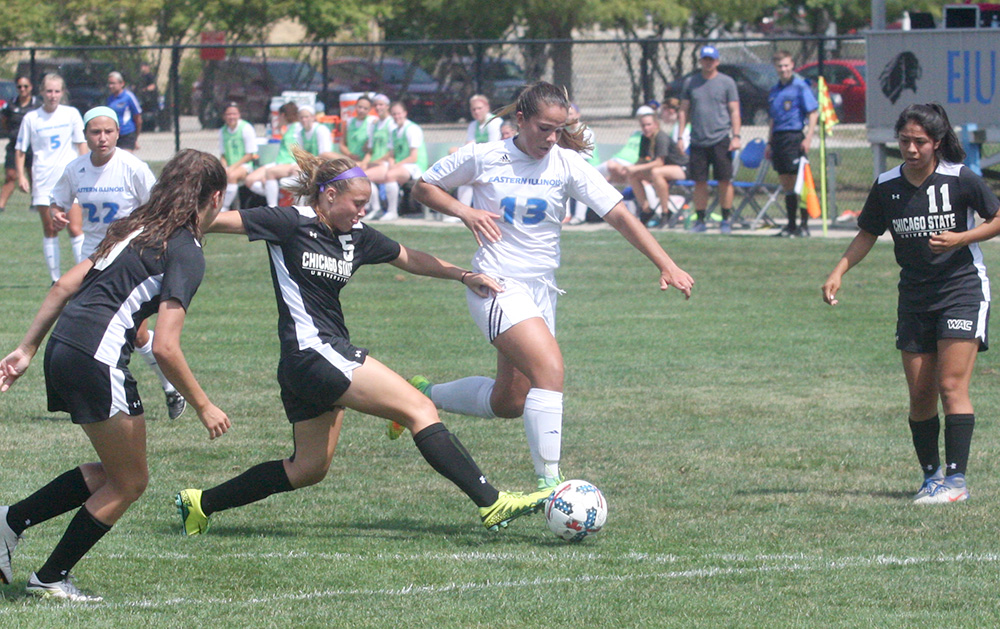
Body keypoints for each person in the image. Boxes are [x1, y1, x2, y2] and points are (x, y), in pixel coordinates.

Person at [174, 147, 552, 537]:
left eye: (366, 205)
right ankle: (492, 502)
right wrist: (169, 217)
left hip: (311, 362)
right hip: (314, 351)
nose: (362, 212)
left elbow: (408, 257)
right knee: (419, 407)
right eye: (357, 203)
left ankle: (200, 503)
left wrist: (462, 275)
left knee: (307, 469)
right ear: (329, 195)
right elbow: (216, 221)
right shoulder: (289, 221)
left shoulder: (356, 236)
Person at [399, 82, 694, 491]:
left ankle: (421, 394)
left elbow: (619, 214)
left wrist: (667, 264)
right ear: (520, 120)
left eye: (559, 129)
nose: (551, 138)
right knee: (550, 371)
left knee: (509, 402)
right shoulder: (486, 156)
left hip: (541, 290)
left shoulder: (566, 164)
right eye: (543, 128)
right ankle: (551, 486)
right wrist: (464, 210)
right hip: (496, 284)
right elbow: (423, 187)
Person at [0, 149, 230, 602]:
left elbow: (66, 285)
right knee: (130, 482)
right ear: (215, 197)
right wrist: (204, 405)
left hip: (65, 347)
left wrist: (27, 348)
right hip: (96, 358)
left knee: (115, 471)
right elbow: (165, 345)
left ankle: (10, 522)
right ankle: (50, 577)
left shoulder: (133, 228)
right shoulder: (185, 249)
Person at [822, 103, 1000, 505]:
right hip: (915, 297)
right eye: (904, 140)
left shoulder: (960, 178)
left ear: (936, 142)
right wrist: (839, 271)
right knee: (920, 395)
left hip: (961, 291)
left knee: (950, 385)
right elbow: (868, 232)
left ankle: (956, 483)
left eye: (920, 141)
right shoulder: (887, 184)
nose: (911, 148)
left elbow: (997, 217)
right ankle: (931, 476)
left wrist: (961, 238)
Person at [48, 106, 186, 420]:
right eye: (95, 132)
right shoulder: (76, 169)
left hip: (126, 260)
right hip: (92, 258)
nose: (102, 138)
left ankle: (170, 387)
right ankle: (87, 390)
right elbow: (59, 200)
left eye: (108, 131)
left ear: (117, 133)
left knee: (136, 333)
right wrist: (57, 213)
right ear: (85, 135)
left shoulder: (132, 167)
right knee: (81, 321)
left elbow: (157, 207)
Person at [15, 73, 87, 283]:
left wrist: (85, 170)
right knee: (51, 228)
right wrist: (21, 175)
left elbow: (81, 143)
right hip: (43, 179)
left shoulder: (71, 114)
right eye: (49, 91)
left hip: (69, 179)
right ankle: (55, 279)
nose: (53, 95)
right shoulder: (32, 118)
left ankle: (84, 275)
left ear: (62, 93)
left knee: (75, 228)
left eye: (57, 91)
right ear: (41, 93)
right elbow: (21, 149)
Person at [678, 45, 741, 234]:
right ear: (700, 61)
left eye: (711, 59)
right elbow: (683, 110)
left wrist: (736, 136)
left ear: (717, 61)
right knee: (699, 182)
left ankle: (726, 219)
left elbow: (734, 110)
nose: (708, 62)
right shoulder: (691, 82)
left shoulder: (727, 82)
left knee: (724, 180)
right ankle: (700, 219)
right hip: (698, 139)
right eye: (705, 59)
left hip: (721, 138)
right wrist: (681, 136)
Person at [767, 50, 818, 238]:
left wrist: (808, 137)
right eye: (780, 66)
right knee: (786, 183)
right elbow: (772, 119)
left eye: (787, 65)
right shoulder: (774, 90)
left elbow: (813, 113)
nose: (783, 69)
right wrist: (769, 142)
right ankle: (790, 225)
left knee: (800, 182)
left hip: (794, 137)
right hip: (778, 139)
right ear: (776, 68)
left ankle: (804, 226)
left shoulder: (800, 86)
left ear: (792, 65)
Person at [364, 101, 426, 222]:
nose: (397, 117)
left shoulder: (412, 129)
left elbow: (414, 157)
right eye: (394, 114)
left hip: (414, 166)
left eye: (399, 114)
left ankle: (392, 211)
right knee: (364, 176)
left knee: (390, 175)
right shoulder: (394, 131)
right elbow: (392, 153)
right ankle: (376, 208)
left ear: (405, 113)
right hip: (400, 164)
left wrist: (394, 166)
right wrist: (391, 163)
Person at [626, 111, 688, 228]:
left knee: (656, 172)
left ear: (656, 124)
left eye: (649, 125)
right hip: (663, 170)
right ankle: (646, 210)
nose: (646, 128)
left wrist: (636, 168)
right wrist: (630, 168)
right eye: (643, 125)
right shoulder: (645, 138)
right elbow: (642, 160)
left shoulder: (661, 137)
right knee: (633, 175)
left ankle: (665, 212)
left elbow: (659, 162)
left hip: (682, 168)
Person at [0, 75, 41, 213]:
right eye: (19, 87)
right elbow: (4, 121)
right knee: (11, 175)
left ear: (31, 87)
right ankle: (1, 205)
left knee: (33, 174)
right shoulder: (10, 104)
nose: (22, 89)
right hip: (15, 145)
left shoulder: (37, 104)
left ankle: (36, 202)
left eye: (25, 86)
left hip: (33, 146)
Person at [244, 102, 300, 203]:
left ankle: (273, 206)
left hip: (289, 163)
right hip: (279, 162)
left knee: (269, 174)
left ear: (282, 115)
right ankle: (276, 194)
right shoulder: (287, 128)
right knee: (250, 180)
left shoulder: (297, 128)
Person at [455, 95, 503, 209]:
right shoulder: (473, 125)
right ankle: (462, 211)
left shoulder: (495, 122)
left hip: (495, 162)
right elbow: (469, 145)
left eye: (479, 108)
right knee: (465, 178)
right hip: (478, 160)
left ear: (487, 107)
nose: (476, 112)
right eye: (473, 109)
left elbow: (493, 146)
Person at [219, 103, 259, 211]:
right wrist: (224, 167)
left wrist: (232, 168)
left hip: (245, 166)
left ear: (239, 115)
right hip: (230, 166)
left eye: (234, 114)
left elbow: (250, 155)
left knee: (232, 176)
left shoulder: (246, 128)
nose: (231, 117)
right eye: (228, 114)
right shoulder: (222, 131)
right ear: (224, 116)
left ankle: (224, 208)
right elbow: (223, 155)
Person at [361, 94, 394, 218]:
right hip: (375, 163)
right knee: (356, 174)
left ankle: (376, 208)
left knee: (364, 177)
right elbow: (370, 150)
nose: (378, 107)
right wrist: (365, 162)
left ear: (387, 106)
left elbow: (392, 151)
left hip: (385, 163)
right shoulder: (374, 124)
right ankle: (370, 207)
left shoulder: (391, 123)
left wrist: (375, 162)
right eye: (376, 105)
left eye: (381, 105)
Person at [105, 72, 142, 152]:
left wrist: (135, 137)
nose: (110, 86)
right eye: (109, 83)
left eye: (113, 83)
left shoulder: (128, 97)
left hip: (127, 134)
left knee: (126, 159)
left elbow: (138, 118)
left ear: (122, 83)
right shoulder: (110, 99)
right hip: (114, 135)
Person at [331, 94, 373, 163]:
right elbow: (342, 144)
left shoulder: (371, 122)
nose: (361, 110)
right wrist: (349, 155)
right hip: (350, 159)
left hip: (364, 161)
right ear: (355, 106)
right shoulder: (349, 122)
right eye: (360, 107)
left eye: (365, 108)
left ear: (369, 110)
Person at [136, 63, 159, 132]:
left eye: (144, 66)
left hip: (151, 99)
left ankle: (154, 126)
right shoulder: (141, 77)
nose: (142, 68)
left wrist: (145, 90)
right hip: (143, 99)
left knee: (152, 112)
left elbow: (152, 86)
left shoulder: (150, 76)